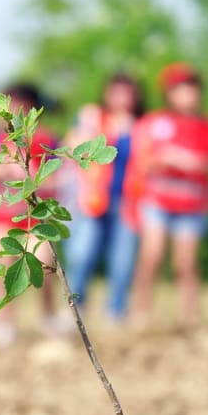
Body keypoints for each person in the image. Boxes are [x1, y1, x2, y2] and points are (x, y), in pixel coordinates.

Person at [126, 63, 208, 329]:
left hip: (192, 204)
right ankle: (140, 312)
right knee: (152, 255)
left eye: (192, 87)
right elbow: (144, 158)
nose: (187, 94)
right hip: (157, 199)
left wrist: (177, 159)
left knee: (186, 262)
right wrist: (177, 160)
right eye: (181, 88)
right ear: (169, 93)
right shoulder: (154, 122)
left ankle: (189, 317)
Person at [0, 82, 62, 347]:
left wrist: (32, 176)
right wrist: (3, 167)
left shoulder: (47, 141)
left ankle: (48, 317)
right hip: (2, 218)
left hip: (36, 221)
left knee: (45, 266)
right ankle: (4, 324)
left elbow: (58, 179)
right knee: (4, 268)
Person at [63, 73, 143, 324]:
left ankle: (116, 312)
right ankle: (76, 308)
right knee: (81, 255)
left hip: (128, 201)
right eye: (115, 91)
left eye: (126, 91)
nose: (121, 97)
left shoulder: (142, 125)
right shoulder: (92, 117)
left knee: (122, 260)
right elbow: (71, 148)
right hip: (93, 200)